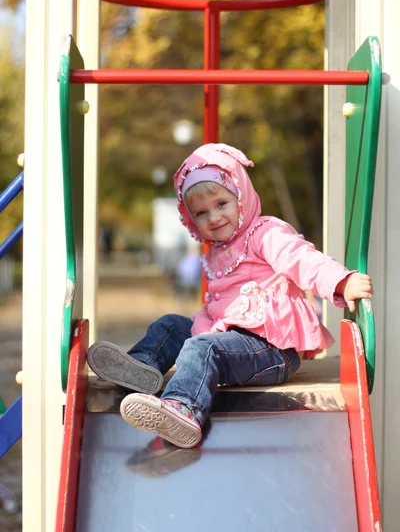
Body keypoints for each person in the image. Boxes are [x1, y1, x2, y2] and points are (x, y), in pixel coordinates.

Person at [87, 143, 373, 449]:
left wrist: (341, 282)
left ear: (242, 198)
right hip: (229, 340)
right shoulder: (216, 253)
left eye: (222, 203)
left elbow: (303, 261)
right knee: (170, 325)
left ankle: (183, 408)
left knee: (202, 349)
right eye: (201, 212)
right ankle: (140, 368)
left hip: (271, 350)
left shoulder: (265, 233)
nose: (213, 217)